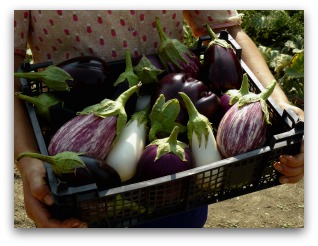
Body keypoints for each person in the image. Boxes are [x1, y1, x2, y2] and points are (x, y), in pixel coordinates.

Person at [14, 10, 304, 228]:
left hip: (177, 173)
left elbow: (226, 31)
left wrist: (286, 110)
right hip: (79, 177)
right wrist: (29, 165)